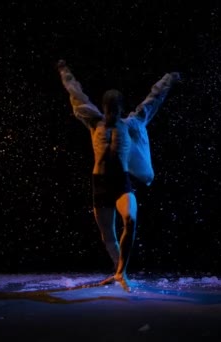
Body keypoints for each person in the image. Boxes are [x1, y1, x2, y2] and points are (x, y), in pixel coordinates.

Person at [57, 59, 180, 291]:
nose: (111, 112)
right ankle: (117, 271)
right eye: (108, 109)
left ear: (121, 109)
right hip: (100, 184)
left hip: (121, 183)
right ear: (104, 108)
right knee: (108, 235)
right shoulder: (95, 122)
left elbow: (152, 101)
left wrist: (169, 79)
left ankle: (122, 272)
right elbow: (76, 93)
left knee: (130, 219)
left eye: (115, 109)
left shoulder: (131, 124)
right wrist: (65, 71)